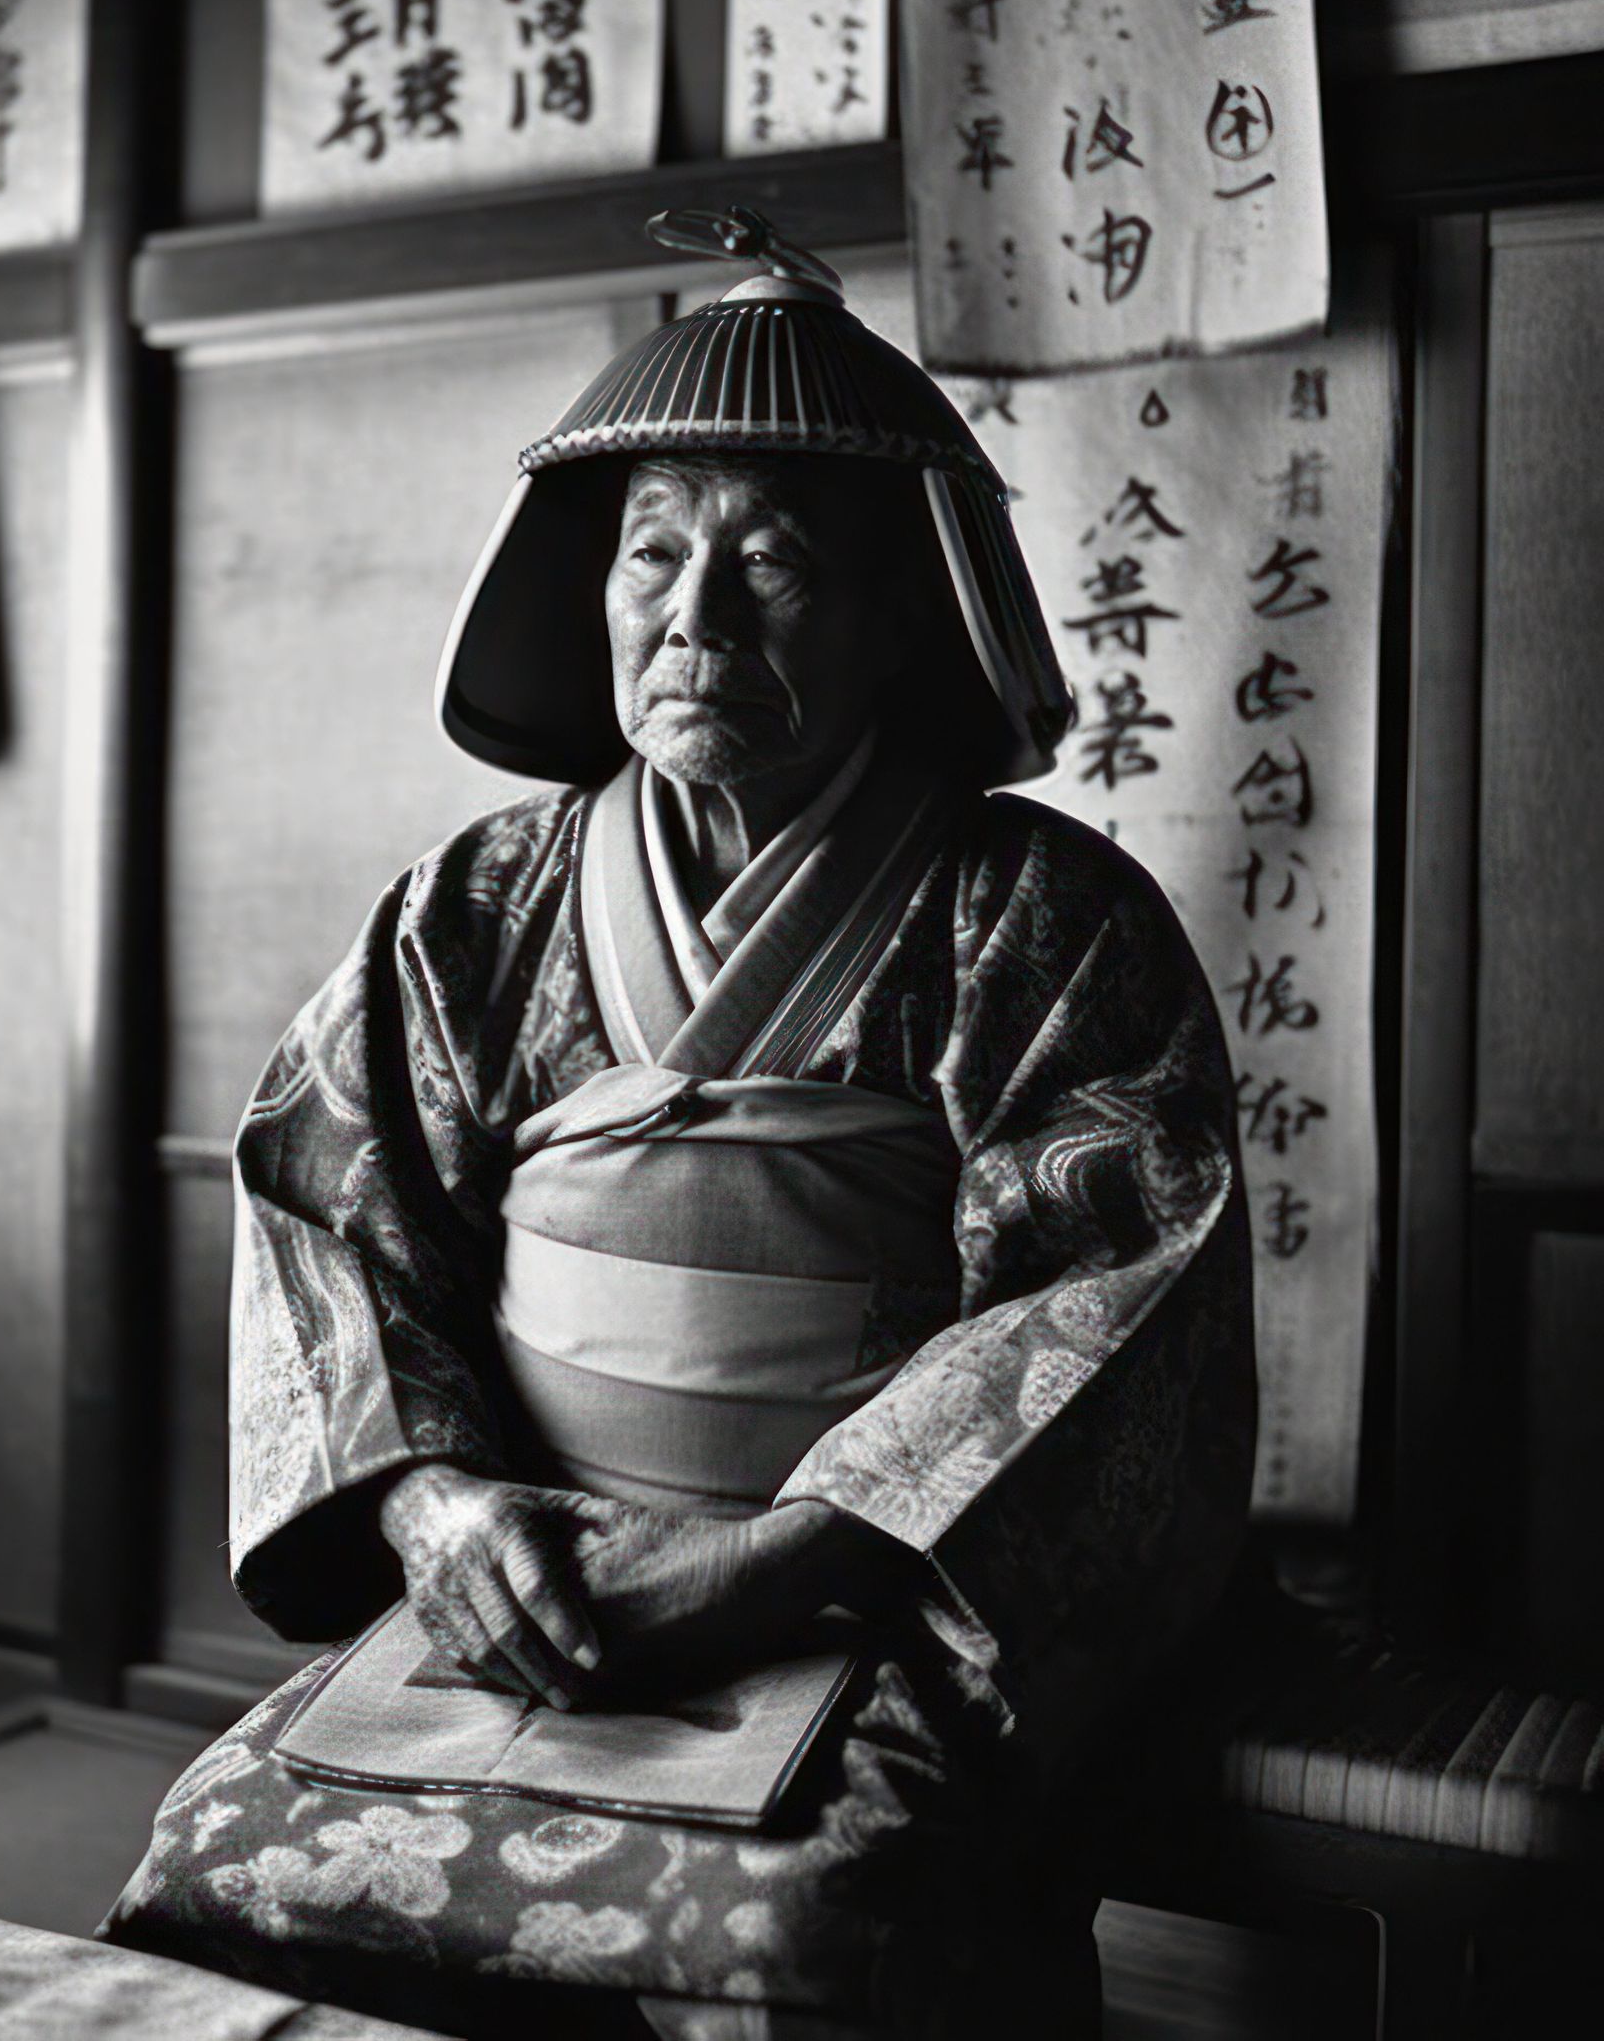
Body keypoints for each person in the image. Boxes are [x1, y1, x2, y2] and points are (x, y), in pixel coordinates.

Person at [106, 210, 1255, 2041]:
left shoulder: (1046, 925)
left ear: (905, 612)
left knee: (803, 1958)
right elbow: (332, 1217)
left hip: (862, 1600)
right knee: (220, 1878)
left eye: (777, 566)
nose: (696, 615)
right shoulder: (470, 907)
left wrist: (775, 1562)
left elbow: (1104, 1314)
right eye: (652, 553)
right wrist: (437, 1511)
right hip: (528, 1580)